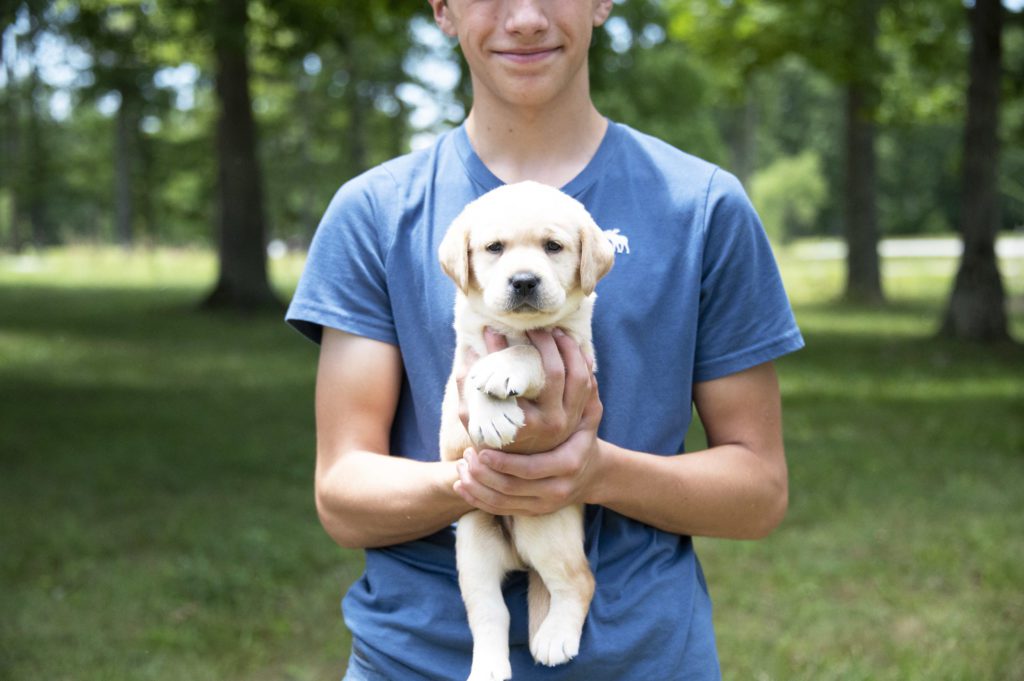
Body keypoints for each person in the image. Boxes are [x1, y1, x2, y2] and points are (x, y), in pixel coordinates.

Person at [285, 1, 804, 679]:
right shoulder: (374, 213)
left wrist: (593, 472)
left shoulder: (701, 205)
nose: (525, 18)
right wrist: (485, 479)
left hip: (642, 660)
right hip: (416, 660)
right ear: (442, 8)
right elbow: (343, 497)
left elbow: (759, 491)